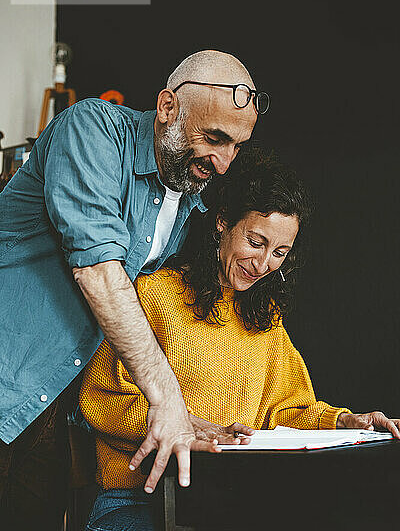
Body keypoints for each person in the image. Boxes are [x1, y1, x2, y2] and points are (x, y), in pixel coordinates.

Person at [0, 50, 269, 529]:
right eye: (214, 138)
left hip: (49, 406)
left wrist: (183, 416)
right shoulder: (92, 129)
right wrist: (167, 397)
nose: (224, 162)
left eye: (236, 146)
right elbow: (99, 271)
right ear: (167, 107)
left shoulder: (187, 199)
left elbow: (131, 312)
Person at [80, 148, 400, 531]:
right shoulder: (152, 296)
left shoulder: (265, 320)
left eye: (280, 252)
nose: (263, 264)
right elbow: (100, 400)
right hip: (139, 496)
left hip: (230, 499)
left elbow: (286, 414)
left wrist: (347, 422)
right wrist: (191, 425)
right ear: (221, 223)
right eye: (255, 241)